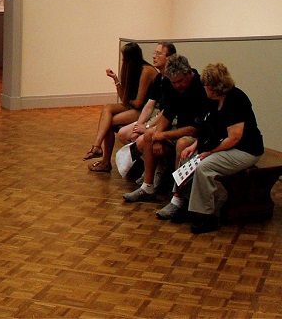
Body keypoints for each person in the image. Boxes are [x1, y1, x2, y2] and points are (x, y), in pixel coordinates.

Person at [173, 63, 264, 234]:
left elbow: (234, 137)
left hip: (245, 150)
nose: (204, 88)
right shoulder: (213, 101)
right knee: (187, 157)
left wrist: (209, 152)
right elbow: (207, 128)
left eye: (206, 85)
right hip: (226, 146)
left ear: (214, 87)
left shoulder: (237, 99)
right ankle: (186, 204)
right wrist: (195, 146)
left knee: (204, 166)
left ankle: (207, 215)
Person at [122, 51, 206, 207]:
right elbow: (167, 113)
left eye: (180, 81)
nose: (177, 86)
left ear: (189, 73)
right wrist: (157, 137)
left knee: (182, 143)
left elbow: (194, 130)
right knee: (148, 134)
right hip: (178, 128)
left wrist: (162, 135)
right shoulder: (169, 83)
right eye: (174, 82)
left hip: (195, 134)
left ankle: (178, 198)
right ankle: (148, 186)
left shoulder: (201, 88)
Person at [82, 42, 157, 172]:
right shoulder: (133, 70)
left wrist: (129, 101)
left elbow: (139, 103)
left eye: (124, 58)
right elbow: (124, 99)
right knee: (107, 108)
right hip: (136, 107)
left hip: (147, 110)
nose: (123, 60)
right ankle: (97, 146)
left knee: (109, 123)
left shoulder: (146, 71)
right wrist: (116, 79)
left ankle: (104, 159)